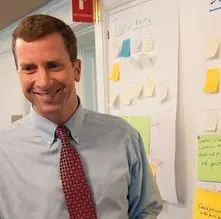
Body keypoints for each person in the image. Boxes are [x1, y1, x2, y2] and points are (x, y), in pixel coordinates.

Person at [0, 14, 163, 219]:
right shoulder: (3, 151)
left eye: (53, 65)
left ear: (76, 69)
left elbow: (146, 208)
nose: (43, 81)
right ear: (19, 74)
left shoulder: (123, 137)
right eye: (29, 68)